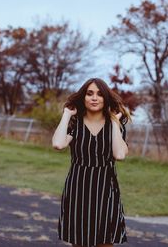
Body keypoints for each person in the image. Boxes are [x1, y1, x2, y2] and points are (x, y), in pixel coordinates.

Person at [52, 78, 131, 247]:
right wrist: (66, 114)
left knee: (105, 241)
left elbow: (119, 154)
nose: (94, 98)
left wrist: (115, 123)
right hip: (78, 189)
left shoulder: (115, 126)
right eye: (90, 94)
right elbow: (58, 144)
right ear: (83, 97)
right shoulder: (75, 123)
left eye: (100, 94)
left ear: (106, 98)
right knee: (79, 241)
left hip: (106, 190)